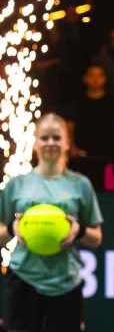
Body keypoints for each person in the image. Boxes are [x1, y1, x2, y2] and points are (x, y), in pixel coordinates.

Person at [0, 113, 103, 332]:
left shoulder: (81, 184)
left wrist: (79, 230)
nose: (50, 143)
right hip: (23, 280)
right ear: (35, 141)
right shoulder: (17, 185)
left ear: (67, 143)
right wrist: (12, 228)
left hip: (65, 282)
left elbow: (96, 239)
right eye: (45, 137)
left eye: (56, 138)